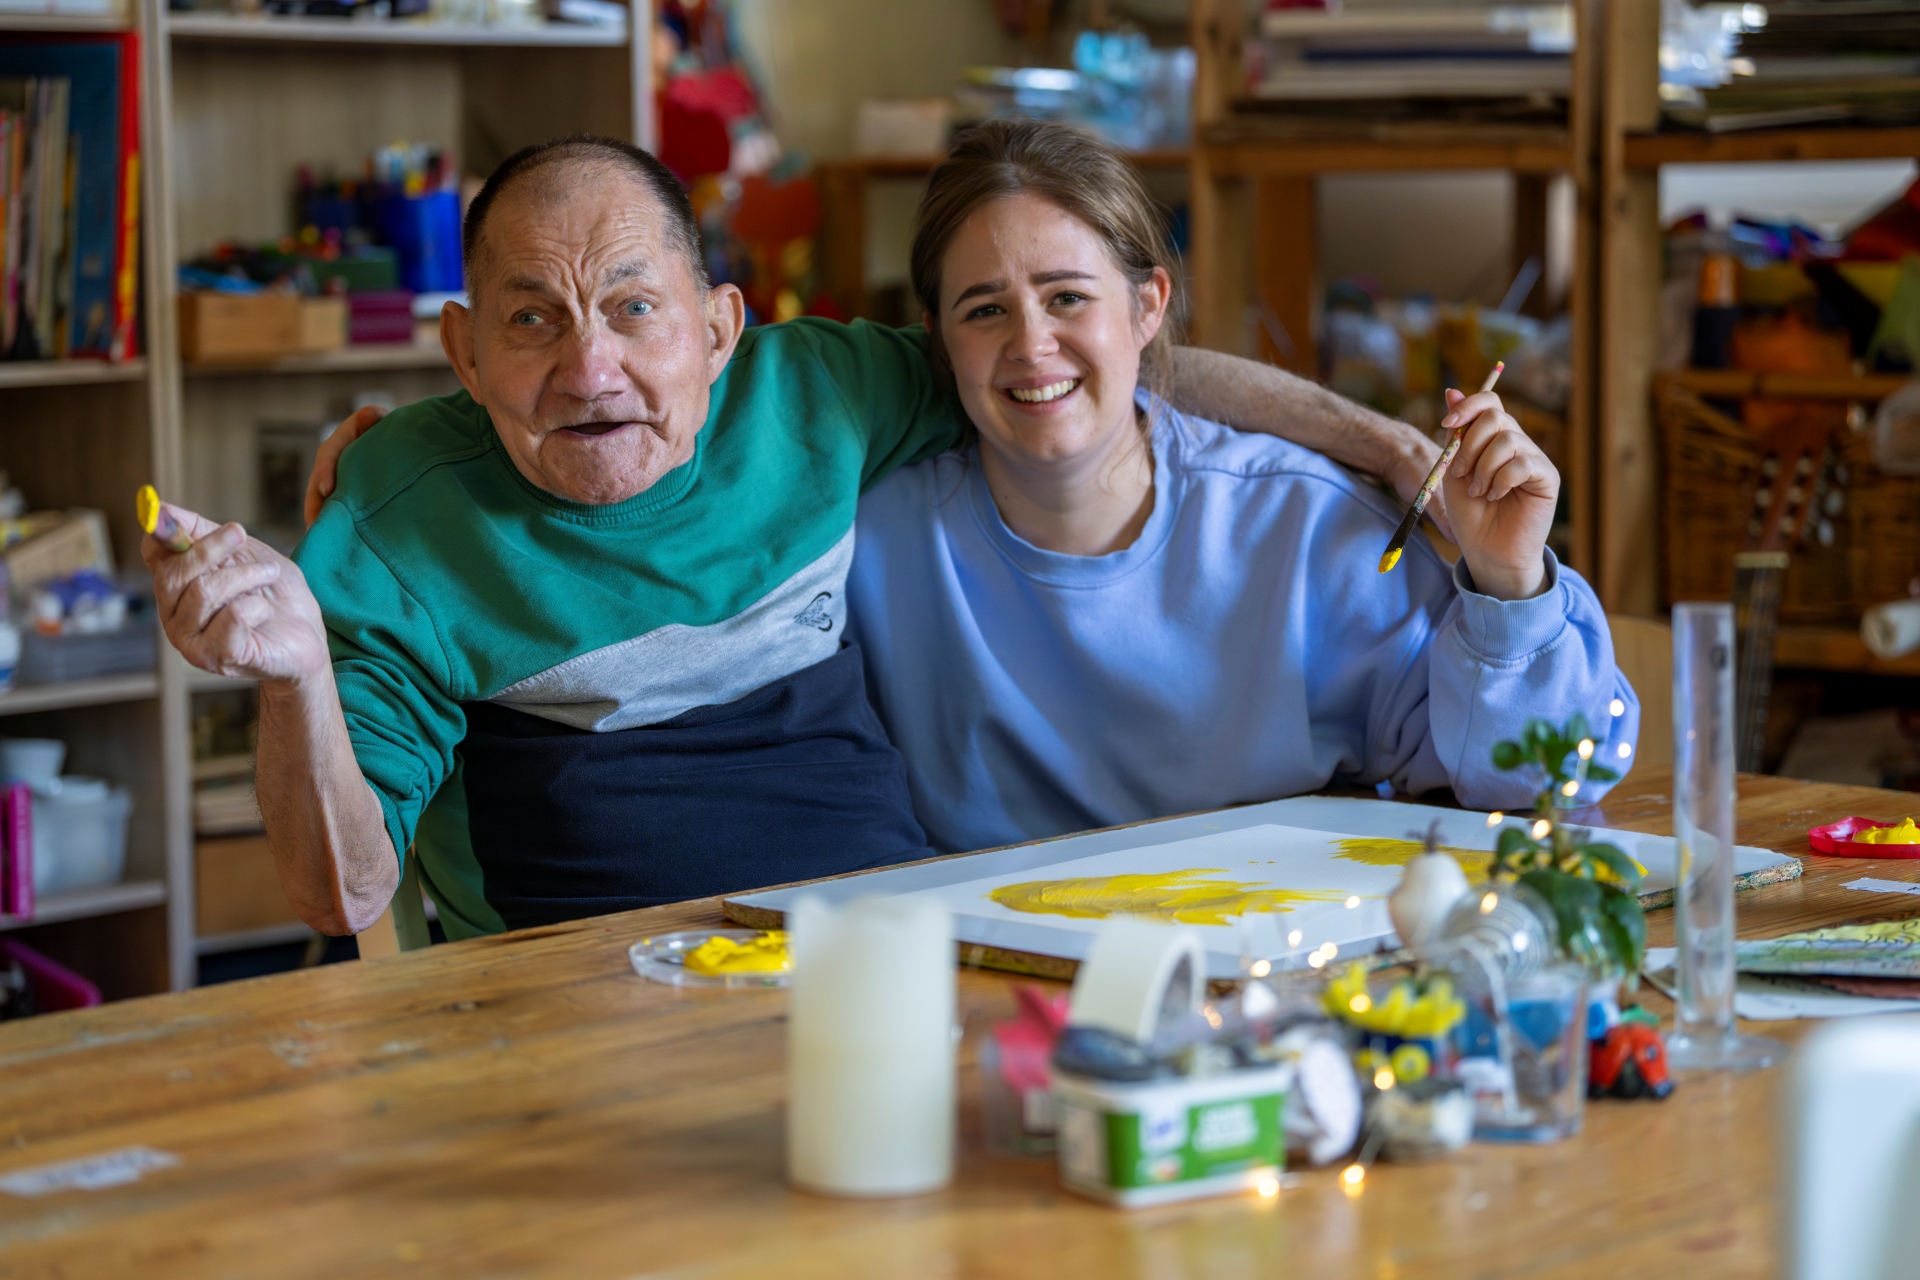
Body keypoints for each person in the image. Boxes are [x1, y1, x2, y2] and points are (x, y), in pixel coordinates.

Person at [153, 134, 1442, 941]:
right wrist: (298, 676)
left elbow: (1080, 363)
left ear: (720, 330)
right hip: (577, 1002)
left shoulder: (821, 390)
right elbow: (339, 899)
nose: (590, 366)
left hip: (887, 947)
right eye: (532, 320)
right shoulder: (393, 523)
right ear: (463, 348)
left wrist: (1386, 447)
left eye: (633, 307)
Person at [841, 120, 1640, 853]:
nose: (1032, 343)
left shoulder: (1304, 528)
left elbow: (1543, 783)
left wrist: (1508, 583)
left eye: (1068, 298)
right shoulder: (870, 543)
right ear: (937, 341)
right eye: (984, 311)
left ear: (1148, 305)